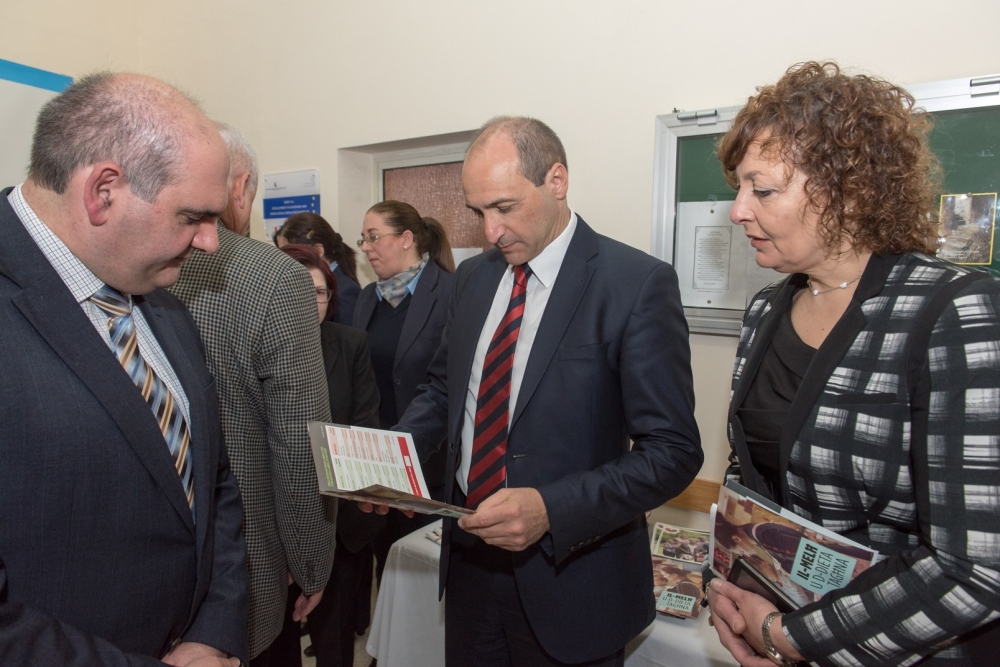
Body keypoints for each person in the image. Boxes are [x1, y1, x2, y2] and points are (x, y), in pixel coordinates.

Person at [706, 61, 1000, 667]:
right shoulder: (767, 308)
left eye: (762, 189)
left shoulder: (953, 312)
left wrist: (793, 637)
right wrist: (735, 596)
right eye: (738, 187)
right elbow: (758, 476)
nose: (738, 211)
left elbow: (976, 571)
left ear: (852, 189)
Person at [389, 116, 703, 666]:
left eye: (505, 207)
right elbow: (445, 390)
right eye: (478, 212)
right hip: (468, 565)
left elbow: (673, 453)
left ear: (557, 180)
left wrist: (550, 510)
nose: (490, 232)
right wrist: (392, 454)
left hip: (574, 581)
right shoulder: (474, 279)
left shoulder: (634, 284)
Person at [0, 73, 247, 666]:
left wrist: (213, 630)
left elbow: (214, 483)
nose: (211, 242)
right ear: (103, 191)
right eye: (194, 216)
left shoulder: (161, 299)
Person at [170, 123, 335, 665]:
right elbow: (298, 441)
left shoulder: (126, 266)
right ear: (239, 187)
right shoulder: (276, 280)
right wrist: (310, 560)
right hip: (246, 561)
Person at [278, 243, 381, 667]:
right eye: (298, 289)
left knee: (335, 644)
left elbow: (365, 425)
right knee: (276, 640)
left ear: (330, 297)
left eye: (318, 292)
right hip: (276, 522)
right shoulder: (259, 347)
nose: (309, 301)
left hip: (339, 519)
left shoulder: (351, 343)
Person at [353, 200, 456, 592]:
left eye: (374, 237)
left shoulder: (449, 293)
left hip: (428, 464)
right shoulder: (367, 298)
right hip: (376, 463)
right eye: (363, 239)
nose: (366, 247)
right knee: (386, 563)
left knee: (424, 573)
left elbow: (448, 386)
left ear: (407, 238)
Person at [276, 212, 363, 325]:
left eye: (291, 253)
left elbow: (345, 339)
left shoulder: (345, 291)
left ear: (318, 251)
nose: (284, 260)